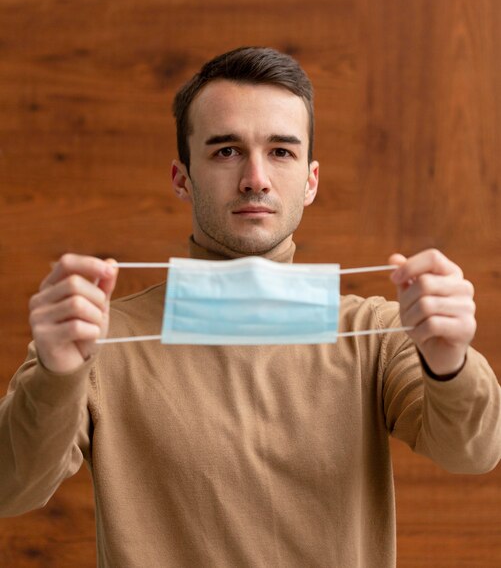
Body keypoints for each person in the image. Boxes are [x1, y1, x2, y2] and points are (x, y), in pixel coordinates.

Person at [1, 46, 500, 568]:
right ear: (181, 178)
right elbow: (9, 489)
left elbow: (474, 451)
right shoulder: (95, 339)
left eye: (281, 151)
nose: (255, 178)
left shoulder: (377, 331)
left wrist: (451, 363)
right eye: (226, 151)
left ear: (310, 181)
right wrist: (58, 374)